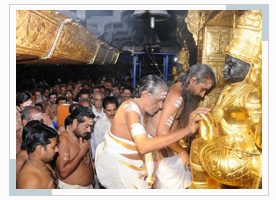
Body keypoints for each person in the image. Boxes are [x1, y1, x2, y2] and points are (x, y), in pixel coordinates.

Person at [95, 75, 210, 189]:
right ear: (144, 95)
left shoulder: (141, 110)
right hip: (119, 170)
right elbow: (143, 146)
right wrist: (187, 130)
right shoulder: (131, 109)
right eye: (158, 101)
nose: (160, 106)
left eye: (162, 102)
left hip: (134, 170)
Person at [189, 10, 262, 189]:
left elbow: (260, 132)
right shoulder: (229, 89)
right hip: (222, 147)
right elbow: (217, 116)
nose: (224, 70)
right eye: (225, 64)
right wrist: (204, 118)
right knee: (198, 144)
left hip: (239, 157)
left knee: (199, 147)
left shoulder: (250, 93)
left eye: (232, 65)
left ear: (251, 67)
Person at [146, 64, 216, 189]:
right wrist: (182, 151)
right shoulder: (176, 96)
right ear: (193, 81)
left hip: (167, 149)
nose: (202, 95)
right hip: (158, 151)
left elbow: (177, 123)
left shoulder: (182, 91)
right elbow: (162, 132)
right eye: (202, 89)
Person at [55, 107, 95, 189]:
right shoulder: (64, 139)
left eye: (91, 126)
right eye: (86, 126)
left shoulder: (83, 135)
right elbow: (63, 173)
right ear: (75, 122)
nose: (89, 130)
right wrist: (82, 153)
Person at [16, 122, 59, 189]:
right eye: (53, 147)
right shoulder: (31, 182)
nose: (57, 150)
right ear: (40, 149)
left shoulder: (42, 162)